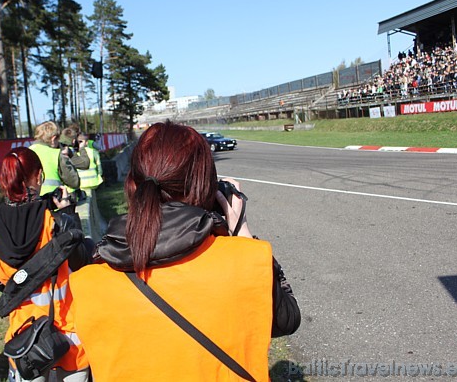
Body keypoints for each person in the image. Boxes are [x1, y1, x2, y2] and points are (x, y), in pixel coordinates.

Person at [69, 121, 300, 381]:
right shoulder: (245, 260)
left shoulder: (85, 283)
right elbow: (286, 320)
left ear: (132, 183)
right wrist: (241, 229)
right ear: (204, 185)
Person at [0, 147, 90, 382]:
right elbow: (82, 262)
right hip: (68, 332)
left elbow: (2, 285)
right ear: (37, 177)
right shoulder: (56, 225)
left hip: (24, 338)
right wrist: (68, 214)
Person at [29, 121, 89, 196]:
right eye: (58, 140)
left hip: (31, 203)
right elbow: (74, 182)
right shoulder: (56, 154)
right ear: (53, 139)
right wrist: (67, 158)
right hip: (54, 202)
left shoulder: (25, 153)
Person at [74, 132, 104, 241]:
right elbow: (99, 168)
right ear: (87, 142)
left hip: (81, 185)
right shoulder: (93, 152)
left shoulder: (74, 153)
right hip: (93, 182)